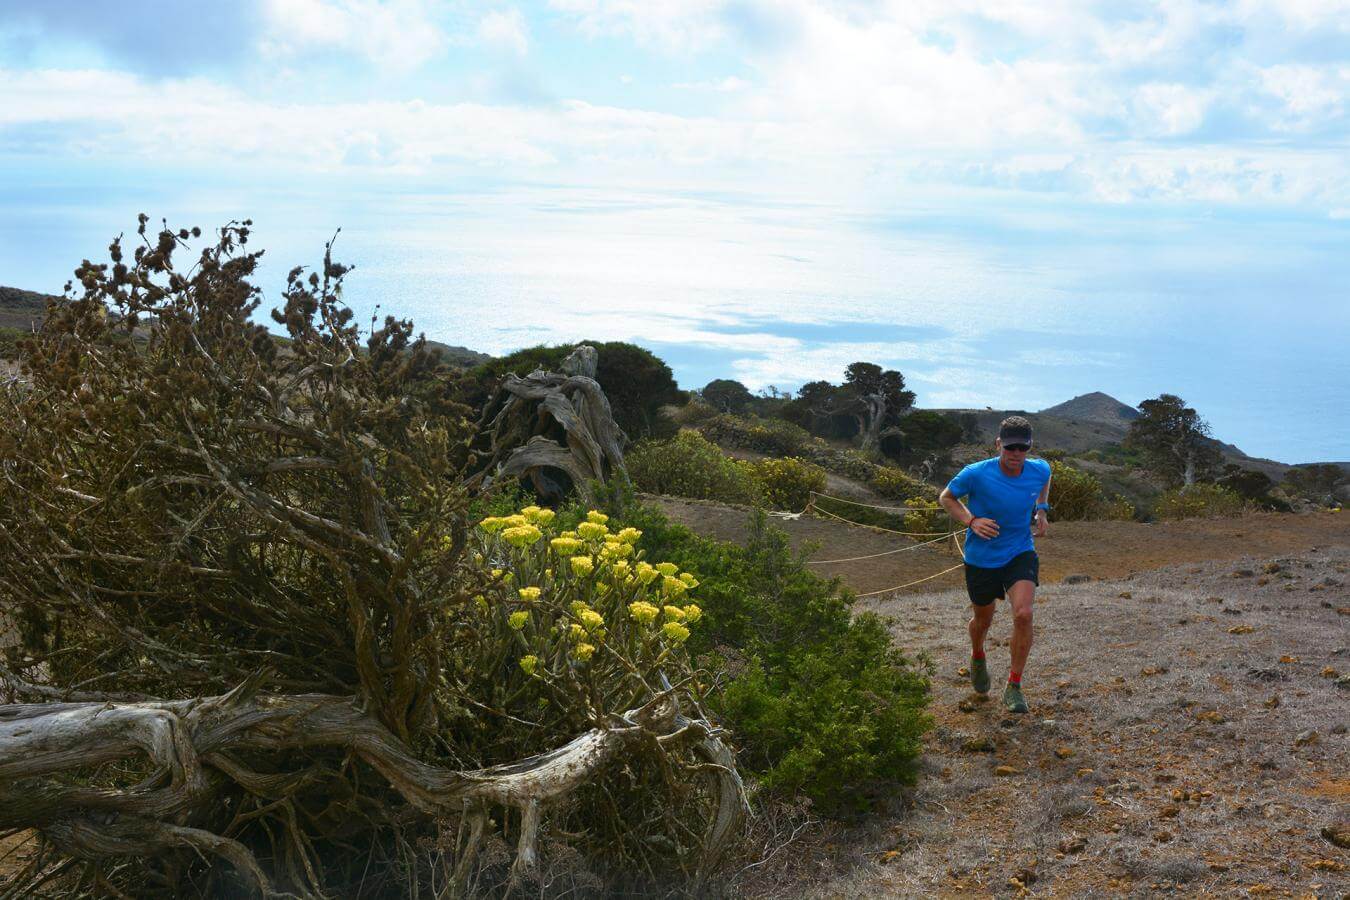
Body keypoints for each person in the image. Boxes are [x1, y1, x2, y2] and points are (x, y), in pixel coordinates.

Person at [938, 416, 1052, 713]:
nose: (1016, 454)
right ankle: (978, 655)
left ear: (1029, 447)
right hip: (982, 558)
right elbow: (947, 497)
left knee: (1024, 614)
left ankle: (1014, 685)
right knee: (983, 621)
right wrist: (971, 520)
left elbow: (1045, 478)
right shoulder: (975, 473)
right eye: (1010, 447)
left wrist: (1041, 509)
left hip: (1019, 550)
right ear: (998, 444)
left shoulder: (1039, 468)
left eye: (1022, 448)